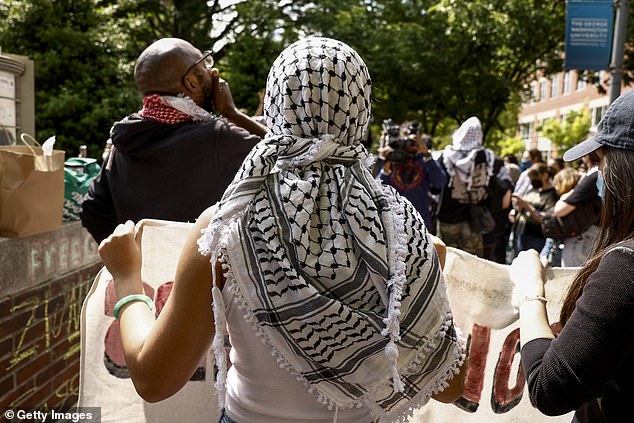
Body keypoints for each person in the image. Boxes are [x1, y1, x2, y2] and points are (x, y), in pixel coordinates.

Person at [97, 37, 466, 423]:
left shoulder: (224, 228)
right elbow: (450, 387)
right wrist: (424, 279)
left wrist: (126, 279)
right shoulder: (402, 231)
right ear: (362, 112)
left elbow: (154, 379)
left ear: (275, 107)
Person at [509, 89, 634, 422]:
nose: (598, 177)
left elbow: (549, 388)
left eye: (601, 163)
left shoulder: (627, 267)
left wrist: (529, 290)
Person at [80, 38, 266, 243]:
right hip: (200, 273)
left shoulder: (121, 144)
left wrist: (135, 254)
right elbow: (290, 154)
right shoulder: (218, 139)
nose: (213, 74)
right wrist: (233, 113)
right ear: (192, 82)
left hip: (145, 273)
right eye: (205, 65)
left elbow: (92, 211)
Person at [436, 116, 499, 257]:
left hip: (448, 215)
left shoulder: (447, 156)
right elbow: (493, 186)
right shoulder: (487, 157)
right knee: (471, 260)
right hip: (474, 218)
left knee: (446, 258)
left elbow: (437, 185)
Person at [376, 122, 447, 230]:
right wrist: (385, 164)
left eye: (412, 142)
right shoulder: (392, 160)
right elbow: (378, 190)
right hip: (394, 224)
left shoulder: (424, 161)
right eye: (403, 141)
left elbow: (440, 182)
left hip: (420, 224)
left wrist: (427, 155)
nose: (408, 145)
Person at [508, 162, 558, 256]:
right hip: (521, 232)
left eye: (534, 177)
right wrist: (516, 209)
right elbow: (523, 205)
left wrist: (527, 206)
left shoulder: (552, 194)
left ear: (545, 175)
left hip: (536, 236)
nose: (532, 180)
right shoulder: (533, 189)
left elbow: (545, 219)